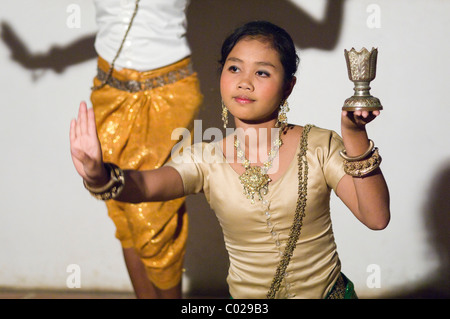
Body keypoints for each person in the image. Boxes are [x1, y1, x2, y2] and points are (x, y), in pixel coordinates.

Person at [70, 21, 390, 299]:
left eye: (262, 72)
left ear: (288, 86)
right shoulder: (205, 159)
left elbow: (376, 217)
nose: (244, 82)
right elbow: (145, 186)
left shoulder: (320, 145)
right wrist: (99, 176)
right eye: (234, 68)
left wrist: (353, 134)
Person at [89, 0, 202, 298]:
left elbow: (322, 32)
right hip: (109, 88)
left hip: (167, 93)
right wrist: (50, 57)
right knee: (120, 206)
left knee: (154, 221)